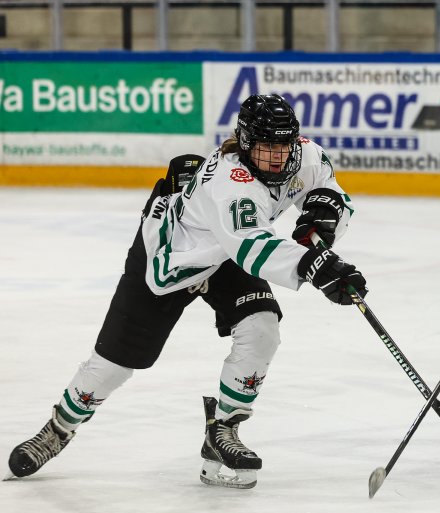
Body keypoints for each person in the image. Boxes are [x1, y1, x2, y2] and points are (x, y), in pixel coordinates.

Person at [6, 94, 367, 489]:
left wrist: (324, 223)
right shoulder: (229, 182)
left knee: (262, 327)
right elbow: (251, 247)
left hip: (226, 255)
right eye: (266, 148)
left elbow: (330, 193)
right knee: (113, 364)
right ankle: (59, 428)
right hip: (170, 261)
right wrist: (315, 266)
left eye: (284, 146)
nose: (277, 158)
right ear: (245, 143)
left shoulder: (306, 157)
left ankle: (223, 430)